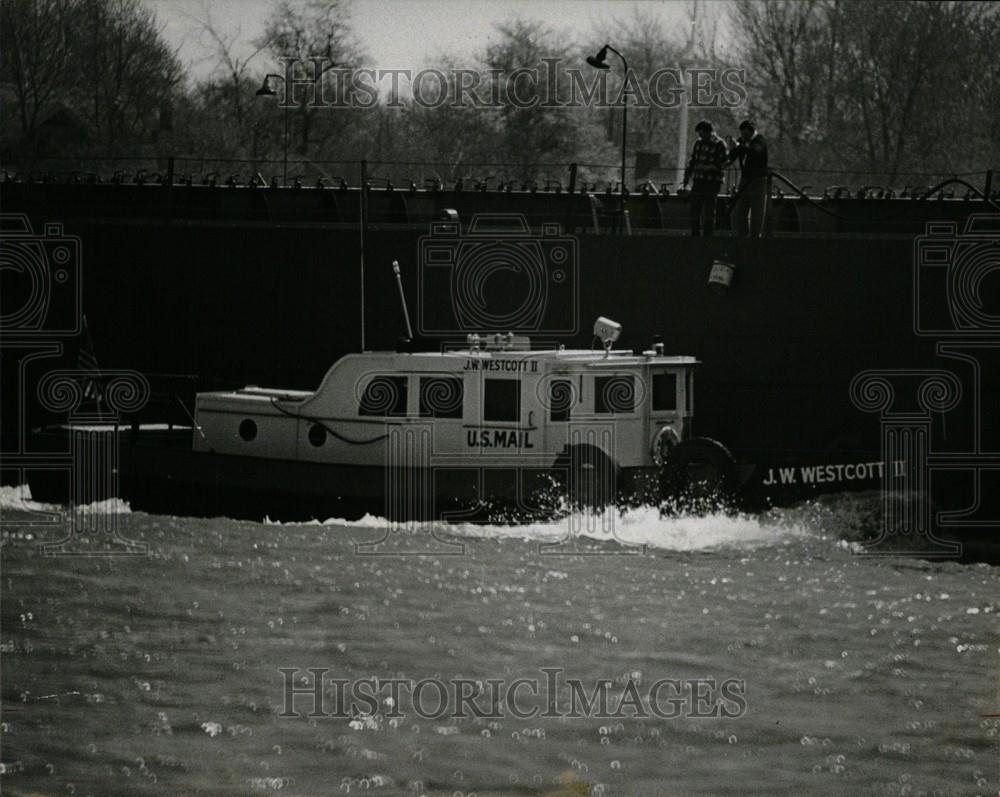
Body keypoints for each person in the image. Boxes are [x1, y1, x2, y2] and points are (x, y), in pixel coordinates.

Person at [682, 120, 728, 237]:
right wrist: (687, 176)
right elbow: (693, 160)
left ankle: (708, 235)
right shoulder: (698, 143)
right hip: (699, 180)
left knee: (709, 209)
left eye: (702, 133)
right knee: (694, 208)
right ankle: (695, 233)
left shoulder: (720, 144)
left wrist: (707, 168)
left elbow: (723, 164)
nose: (700, 136)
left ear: (709, 132)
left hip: (712, 182)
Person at [726, 119, 769, 237]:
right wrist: (727, 160)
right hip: (745, 179)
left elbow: (755, 151)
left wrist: (740, 146)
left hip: (758, 180)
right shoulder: (742, 141)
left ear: (751, 132)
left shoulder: (760, 140)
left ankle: (755, 237)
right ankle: (742, 235)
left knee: (757, 211)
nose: (743, 137)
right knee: (741, 208)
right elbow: (734, 154)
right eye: (742, 134)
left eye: (745, 134)